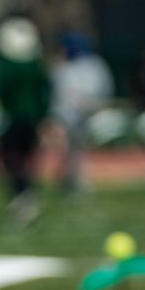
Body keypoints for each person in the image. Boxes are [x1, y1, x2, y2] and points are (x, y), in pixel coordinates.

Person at [0, 16, 50, 228]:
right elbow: (45, 91)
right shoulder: (36, 65)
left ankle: (23, 194)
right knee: (27, 158)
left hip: (15, 118)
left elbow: (2, 90)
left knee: (9, 157)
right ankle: (26, 193)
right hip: (33, 119)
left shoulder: (8, 66)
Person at [51, 32, 114, 192]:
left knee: (78, 150)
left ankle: (78, 182)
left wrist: (87, 103)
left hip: (88, 115)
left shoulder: (93, 66)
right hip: (64, 116)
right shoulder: (61, 66)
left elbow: (101, 91)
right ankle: (69, 181)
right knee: (67, 149)